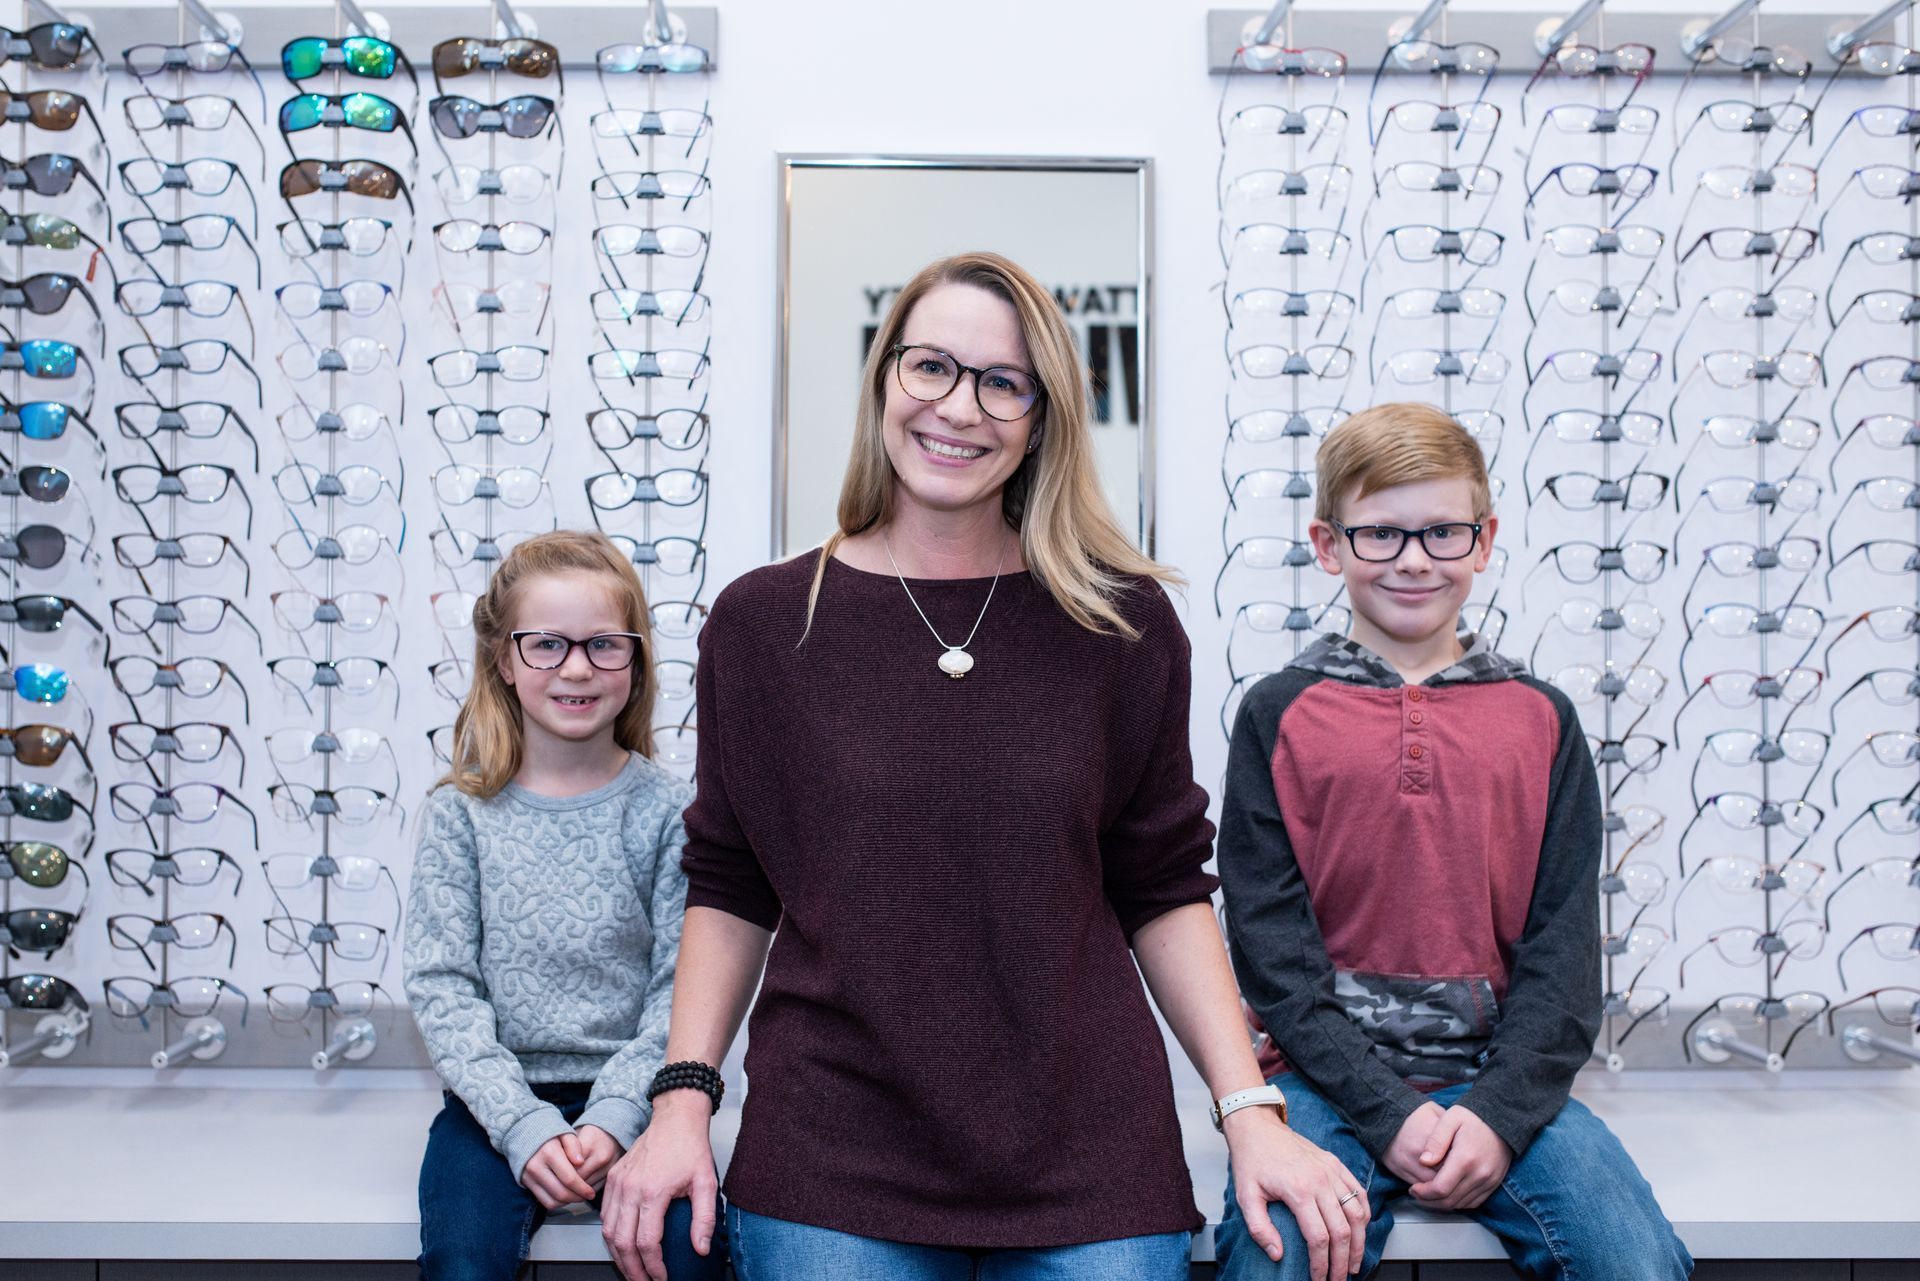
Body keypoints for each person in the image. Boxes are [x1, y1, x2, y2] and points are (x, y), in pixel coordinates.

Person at [599, 251, 1368, 1281]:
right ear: (884, 382)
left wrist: (1251, 1113)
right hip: (834, 1153)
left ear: (1041, 418)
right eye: (931, 368)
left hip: (1089, 1156)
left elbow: (1165, 886)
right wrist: (681, 1102)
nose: (959, 408)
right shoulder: (766, 622)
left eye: (1003, 383)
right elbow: (733, 884)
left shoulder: (1122, 621)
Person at [1211, 403, 1693, 1280]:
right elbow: (1271, 952)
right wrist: (1387, 1113)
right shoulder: (1276, 714)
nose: (1413, 560)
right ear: (1328, 545)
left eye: (1441, 533)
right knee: (1277, 1253)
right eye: (1380, 535)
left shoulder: (1542, 718)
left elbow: (1563, 953)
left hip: (1501, 1082)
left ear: (1483, 540)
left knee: (1632, 1259)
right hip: (1324, 1088)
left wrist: (1502, 1114)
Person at [404, 530, 727, 1281]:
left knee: (691, 1252)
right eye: (546, 644)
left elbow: (680, 992)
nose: (577, 667)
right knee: (461, 1259)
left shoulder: (671, 813)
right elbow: (442, 986)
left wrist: (616, 1116)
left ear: (637, 658)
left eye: (604, 644)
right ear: (503, 661)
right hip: (492, 1105)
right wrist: (520, 1122)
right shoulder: (461, 813)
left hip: (643, 1101)